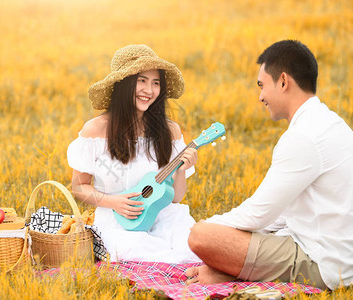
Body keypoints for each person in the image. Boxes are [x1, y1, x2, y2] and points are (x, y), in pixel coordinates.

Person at [185, 40, 353, 290]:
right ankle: (228, 270)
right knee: (227, 234)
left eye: (262, 86)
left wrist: (208, 225)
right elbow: (280, 214)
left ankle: (230, 272)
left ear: (283, 81)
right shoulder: (331, 123)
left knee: (200, 236)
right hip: (335, 251)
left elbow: (258, 214)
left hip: (323, 263)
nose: (261, 96)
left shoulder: (303, 137)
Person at [67, 44, 202, 263]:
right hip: (118, 221)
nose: (149, 90)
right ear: (123, 84)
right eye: (142, 81)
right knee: (136, 250)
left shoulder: (169, 131)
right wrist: (113, 202)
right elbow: (79, 186)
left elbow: (175, 198)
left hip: (163, 217)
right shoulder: (96, 130)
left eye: (156, 83)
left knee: (194, 248)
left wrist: (181, 170)